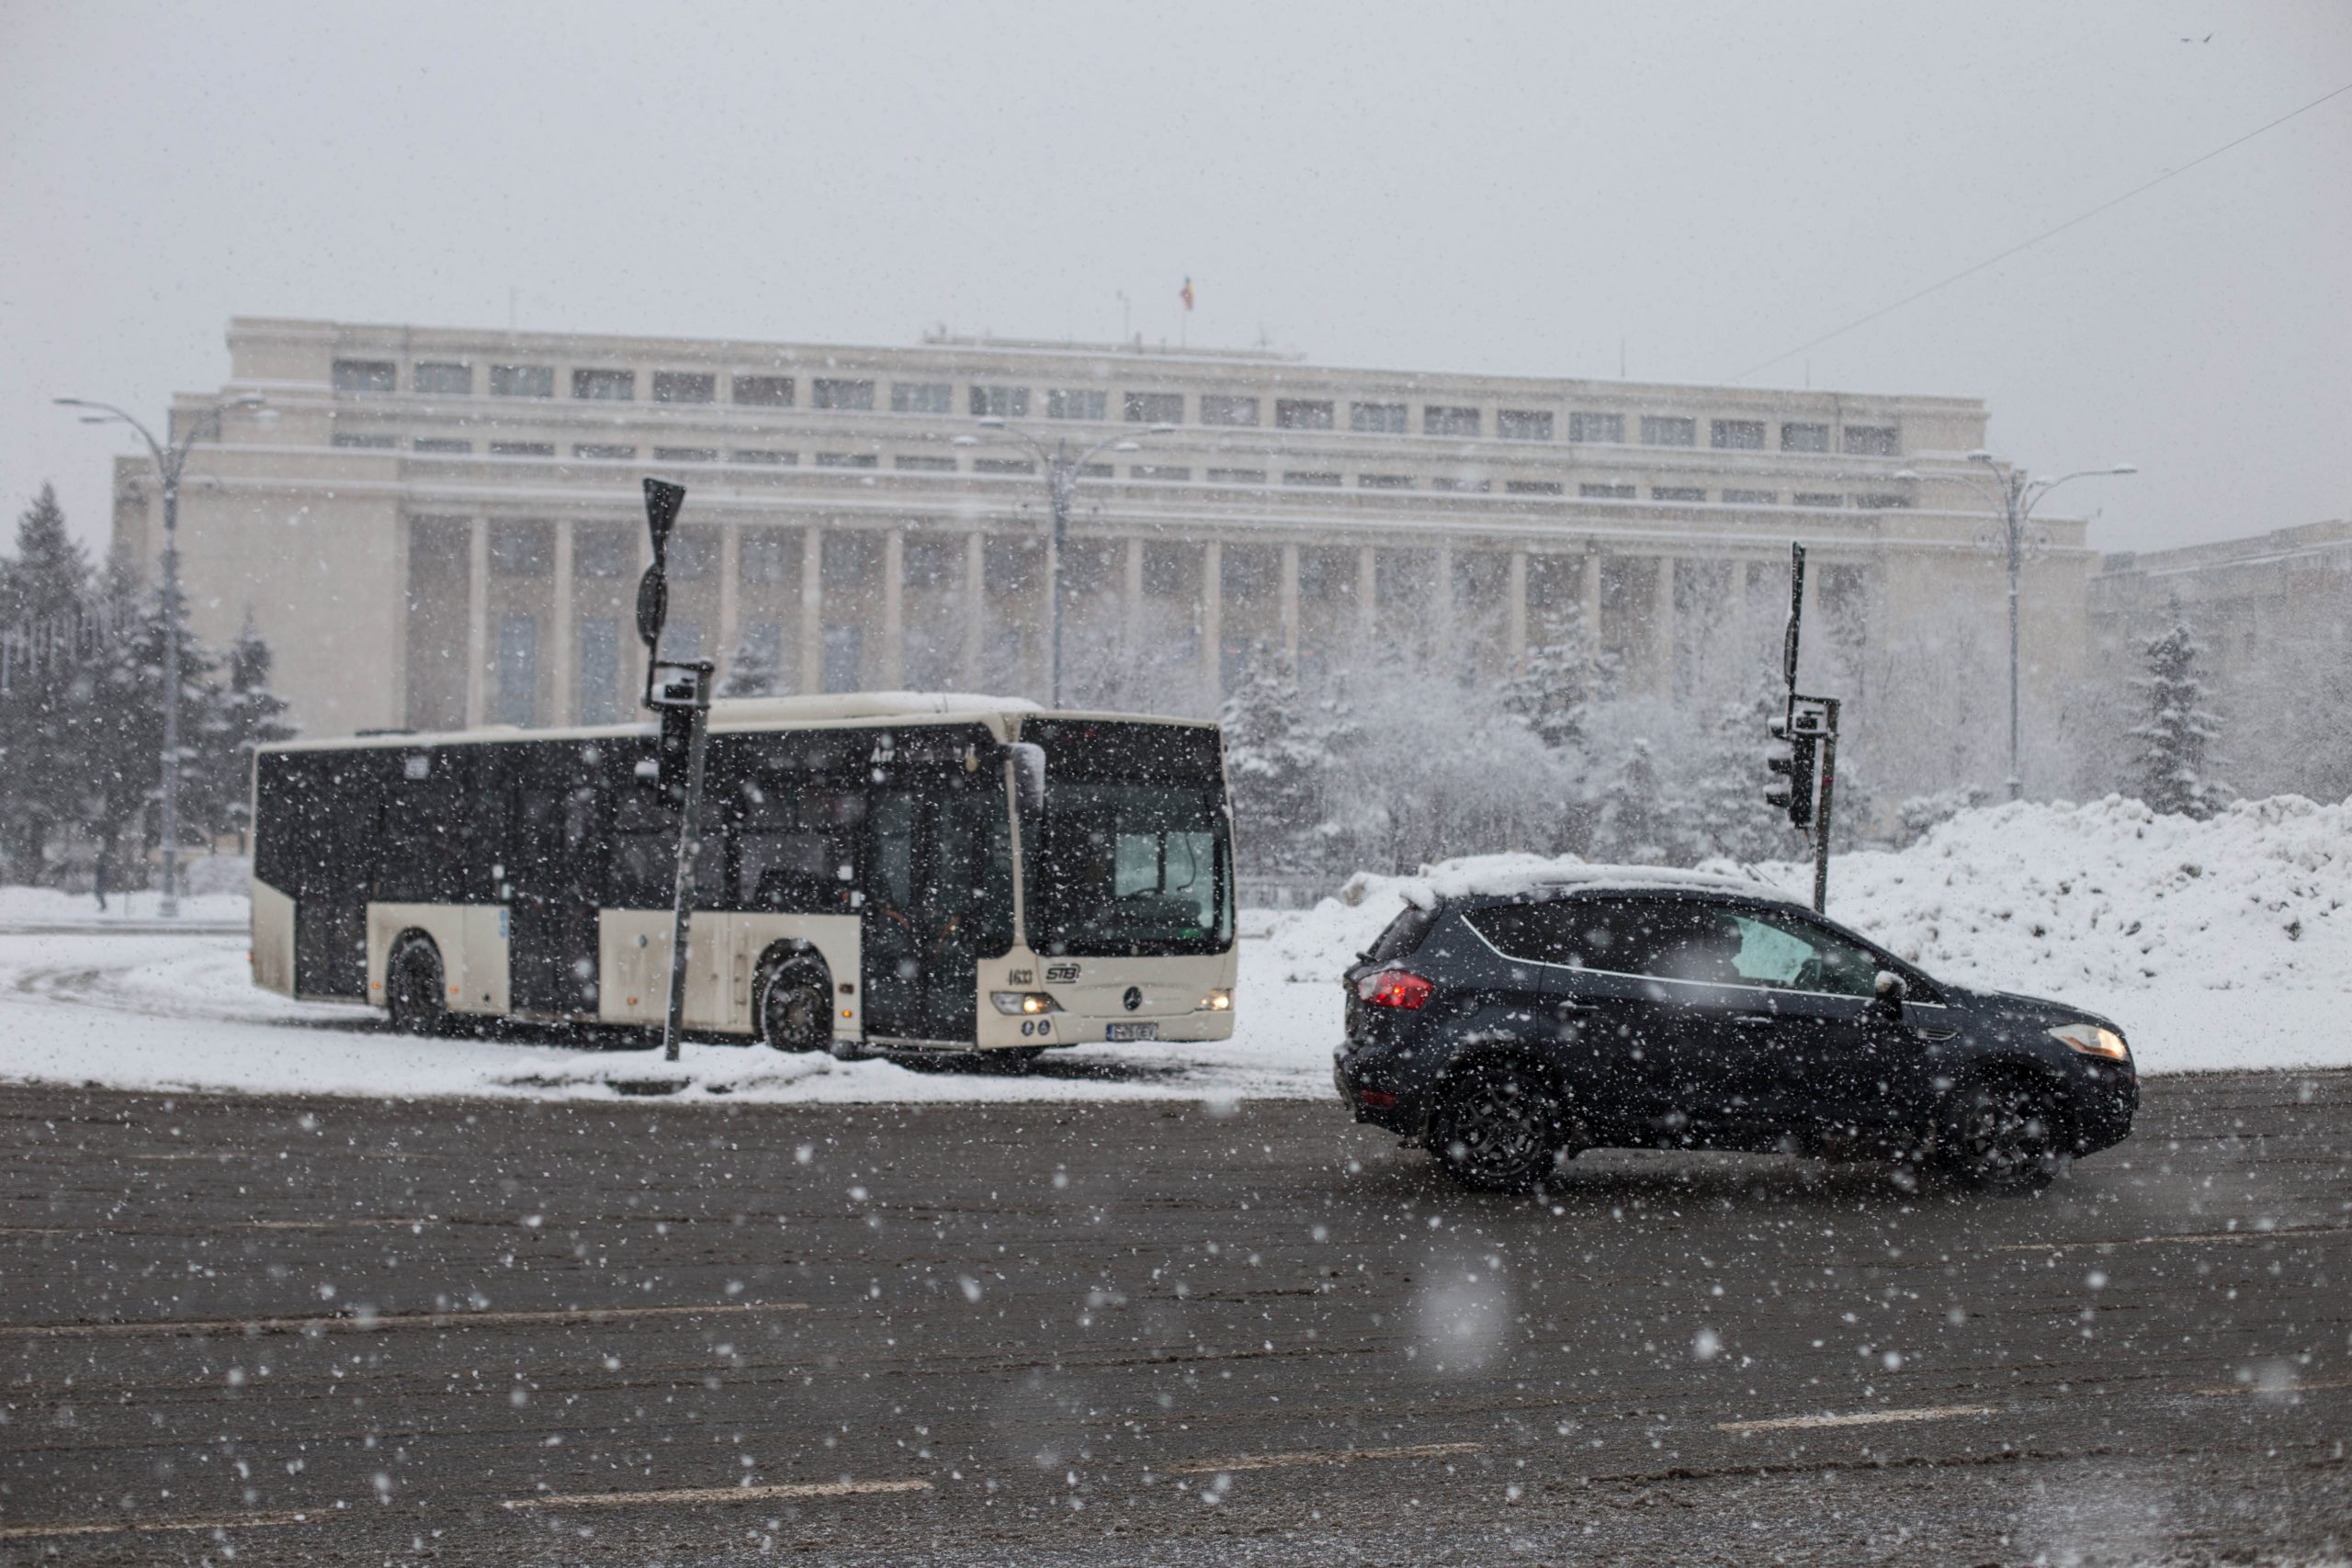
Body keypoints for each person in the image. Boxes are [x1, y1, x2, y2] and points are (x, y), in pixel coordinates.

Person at [93, 849, 109, 913]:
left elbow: (102, 873)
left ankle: (103, 906)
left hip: (101, 880)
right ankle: (103, 905)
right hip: (100, 880)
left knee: (99, 893)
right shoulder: (101, 864)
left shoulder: (102, 864)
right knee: (98, 893)